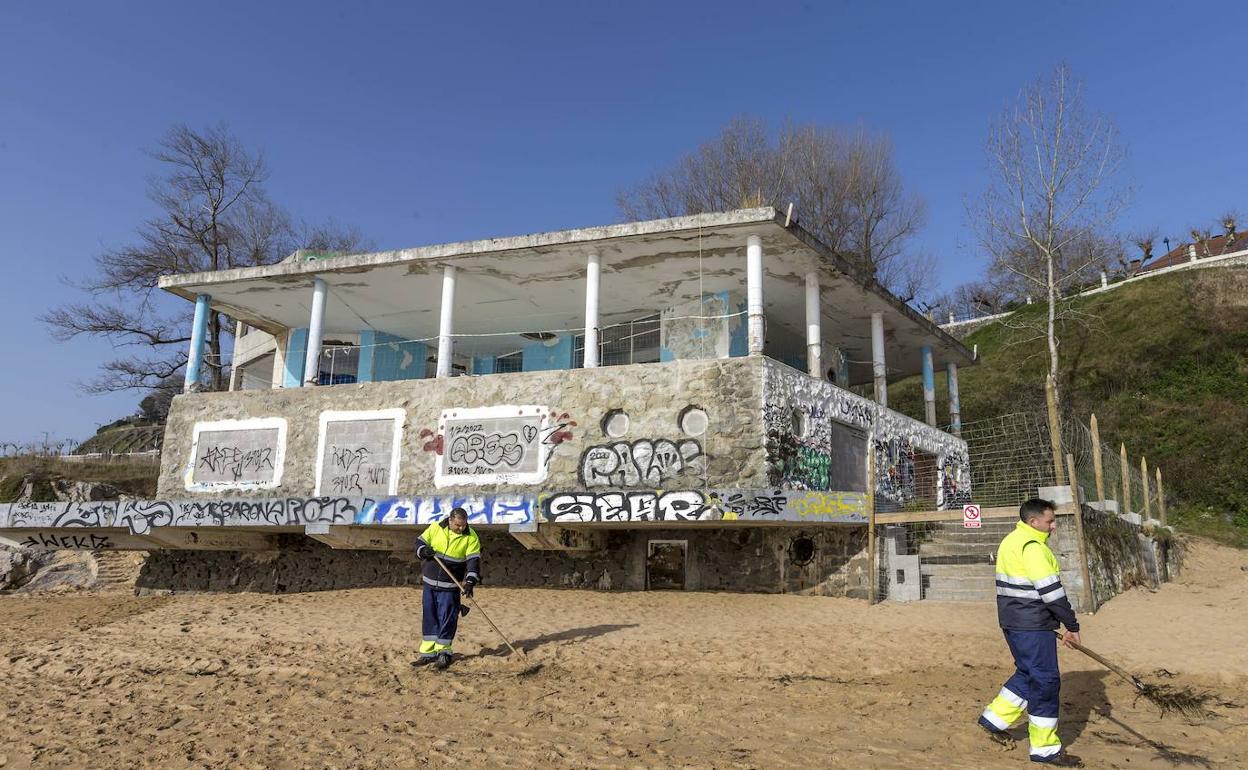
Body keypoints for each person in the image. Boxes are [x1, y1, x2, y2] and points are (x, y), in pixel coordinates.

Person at [978, 498, 1083, 766]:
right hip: (1032, 624)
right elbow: (1052, 594)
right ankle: (1045, 748)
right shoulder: (1033, 548)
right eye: (1049, 521)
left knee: (1028, 672)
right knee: (1046, 680)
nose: (1054, 527)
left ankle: (994, 718)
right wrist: (1071, 626)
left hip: (1013, 621)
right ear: (1033, 522)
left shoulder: (1011, 541)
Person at [413, 507, 480, 671]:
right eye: (457, 525)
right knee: (430, 617)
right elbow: (419, 542)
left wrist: (470, 581)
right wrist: (424, 551)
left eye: (463, 525)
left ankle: (444, 653)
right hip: (429, 583)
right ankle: (428, 654)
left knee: (447, 619)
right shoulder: (436, 527)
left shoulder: (471, 537)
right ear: (450, 520)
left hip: (450, 587)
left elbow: (473, 561)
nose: (461, 528)